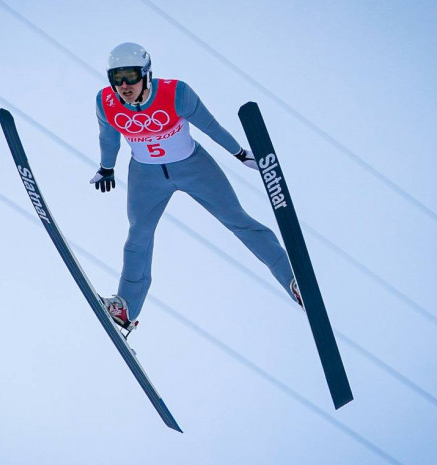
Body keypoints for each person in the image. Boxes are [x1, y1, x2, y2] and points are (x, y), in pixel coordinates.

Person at [91, 42, 302, 333]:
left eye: (131, 76)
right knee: (138, 236)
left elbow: (210, 125)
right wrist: (106, 167)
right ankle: (125, 310)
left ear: (146, 74)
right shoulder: (106, 103)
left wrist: (239, 153)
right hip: (145, 176)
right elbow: (108, 136)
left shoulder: (175, 93)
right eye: (117, 78)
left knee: (238, 220)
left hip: (193, 167)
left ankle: (294, 281)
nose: (125, 85)